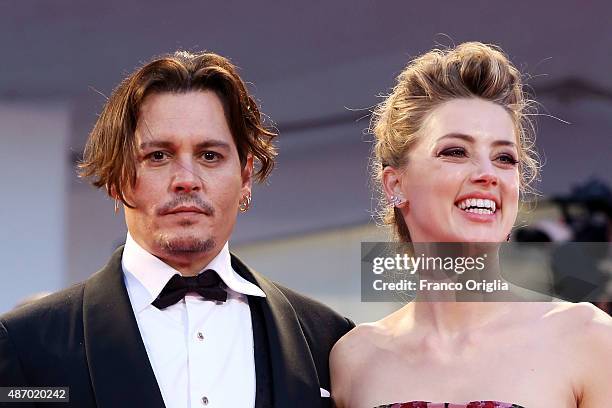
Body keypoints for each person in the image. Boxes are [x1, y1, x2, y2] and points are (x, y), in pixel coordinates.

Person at [0, 51, 353, 408]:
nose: (186, 180)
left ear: (245, 177)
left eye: (209, 156)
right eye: (158, 156)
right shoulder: (24, 344)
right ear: (117, 179)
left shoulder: (326, 339)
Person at [330, 42, 612, 407]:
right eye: (455, 151)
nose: (487, 174)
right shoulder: (353, 360)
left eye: (504, 158)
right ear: (396, 184)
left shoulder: (589, 339)